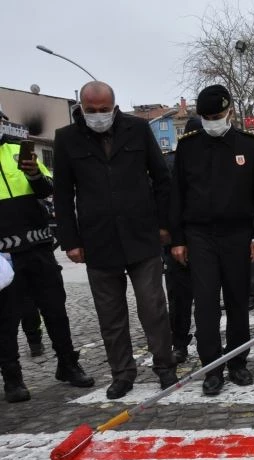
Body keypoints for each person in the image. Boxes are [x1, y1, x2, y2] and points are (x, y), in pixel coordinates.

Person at [54, 81, 174, 400]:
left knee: (153, 307)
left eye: (103, 110)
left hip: (141, 234)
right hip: (98, 240)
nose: (97, 116)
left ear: (114, 106)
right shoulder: (66, 139)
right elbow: (63, 195)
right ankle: (122, 373)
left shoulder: (137, 129)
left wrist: (165, 225)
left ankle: (165, 366)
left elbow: (162, 179)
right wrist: (70, 241)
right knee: (111, 315)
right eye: (90, 110)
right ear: (81, 107)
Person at [170, 84, 254, 396]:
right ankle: (212, 367)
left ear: (230, 112)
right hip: (199, 235)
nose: (212, 121)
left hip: (238, 234)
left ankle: (238, 362)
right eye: (207, 117)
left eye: (217, 116)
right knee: (206, 303)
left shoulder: (249, 145)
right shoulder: (188, 146)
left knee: (238, 300)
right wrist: (178, 240)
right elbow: (177, 195)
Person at [1, 122, 94, 402]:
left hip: (39, 247)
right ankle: (12, 379)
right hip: (4, 257)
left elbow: (48, 189)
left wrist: (33, 175)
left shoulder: (19, 150)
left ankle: (68, 364)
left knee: (55, 309)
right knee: (5, 319)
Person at [163, 117, 202, 364]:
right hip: (177, 240)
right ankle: (179, 342)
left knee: (205, 297)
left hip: (205, 239)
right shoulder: (168, 163)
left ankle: (200, 340)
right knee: (179, 298)